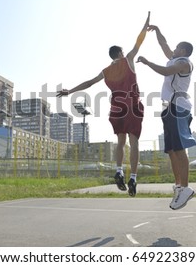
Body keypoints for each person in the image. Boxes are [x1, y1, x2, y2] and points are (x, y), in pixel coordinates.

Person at [57, 12, 150, 197]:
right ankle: (133, 178)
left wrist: (69, 91)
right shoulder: (128, 60)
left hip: (116, 108)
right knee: (134, 142)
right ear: (121, 53)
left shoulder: (106, 71)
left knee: (120, 142)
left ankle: (118, 171)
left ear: (111, 56)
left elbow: (89, 83)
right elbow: (139, 42)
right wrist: (146, 24)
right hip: (132, 105)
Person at [137, 24, 196, 210]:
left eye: (177, 47)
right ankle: (179, 186)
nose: (173, 49)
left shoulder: (184, 63)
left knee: (179, 149)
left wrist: (147, 63)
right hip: (168, 108)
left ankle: (186, 188)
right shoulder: (174, 59)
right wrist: (157, 30)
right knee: (171, 150)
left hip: (179, 107)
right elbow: (164, 44)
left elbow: (165, 72)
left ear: (184, 50)